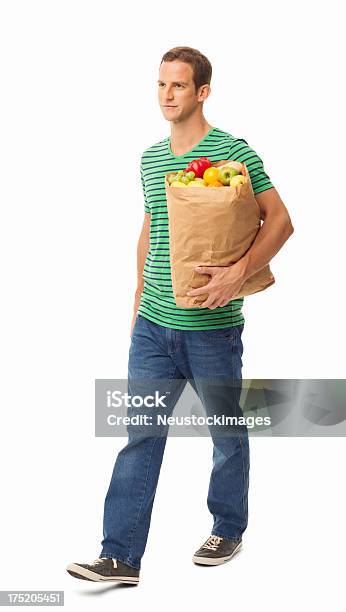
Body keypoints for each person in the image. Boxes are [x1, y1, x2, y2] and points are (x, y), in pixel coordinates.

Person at [66, 46, 294, 585]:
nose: (166, 95)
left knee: (226, 432)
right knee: (140, 435)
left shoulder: (234, 153)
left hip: (212, 330)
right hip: (152, 327)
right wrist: (138, 298)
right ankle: (120, 555)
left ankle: (228, 527)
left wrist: (239, 273)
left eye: (177, 86)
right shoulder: (150, 158)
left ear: (202, 92)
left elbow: (281, 221)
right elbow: (151, 229)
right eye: (160, 85)